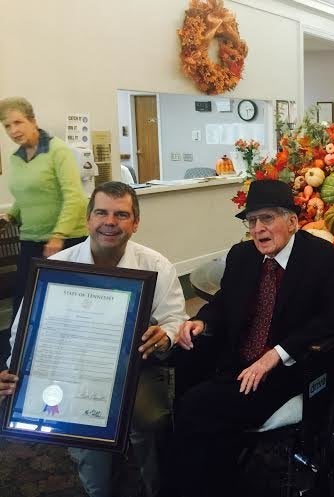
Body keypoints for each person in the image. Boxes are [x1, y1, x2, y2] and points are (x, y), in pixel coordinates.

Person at [0, 181, 188, 497]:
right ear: (88, 219)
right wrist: (13, 371)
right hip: (71, 371)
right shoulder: (56, 268)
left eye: (121, 214)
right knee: (82, 429)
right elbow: (25, 331)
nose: (110, 222)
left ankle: (156, 484)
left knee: (150, 422)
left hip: (134, 369)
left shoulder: (156, 266)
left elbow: (174, 320)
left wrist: (166, 336)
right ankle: (97, 487)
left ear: (136, 223)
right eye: (101, 212)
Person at [175, 179, 334, 497]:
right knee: (185, 374)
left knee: (195, 408)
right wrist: (201, 322)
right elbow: (224, 303)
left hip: (287, 373)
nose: (258, 229)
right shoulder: (242, 256)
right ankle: (214, 477)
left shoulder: (321, 258)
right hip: (237, 364)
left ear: (293, 221)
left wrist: (276, 354)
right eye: (252, 220)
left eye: (267, 218)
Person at [0, 97, 88, 319]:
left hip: (67, 240)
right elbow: (25, 193)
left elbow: (74, 197)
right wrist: (11, 215)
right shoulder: (15, 157)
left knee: (67, 303)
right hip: (31, 239)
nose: (12, 130)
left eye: (17, 122)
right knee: (25, 301)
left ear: (33, 120)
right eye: (7, 126)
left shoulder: (58, 151)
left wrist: (58, 236)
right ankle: (19, 352)